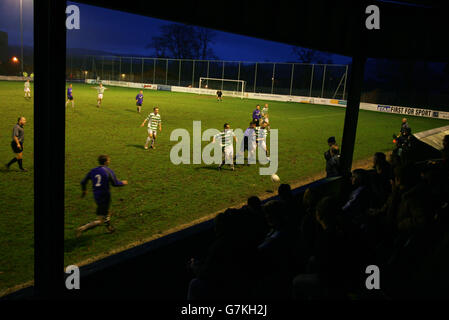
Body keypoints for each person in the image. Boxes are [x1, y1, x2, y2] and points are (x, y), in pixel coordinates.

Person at [77, 155, 128, 237]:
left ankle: (109, 228)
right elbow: (115, 183)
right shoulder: (108, 171)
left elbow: (83, 182)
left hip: (96, 195)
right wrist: (123, 182)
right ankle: (82, 229)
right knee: (101, 219)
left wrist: (84, 191)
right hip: (105, 196)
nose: (109, 161)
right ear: (106, 162)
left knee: (105, 213)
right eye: (108, 160)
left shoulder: (93, 171)